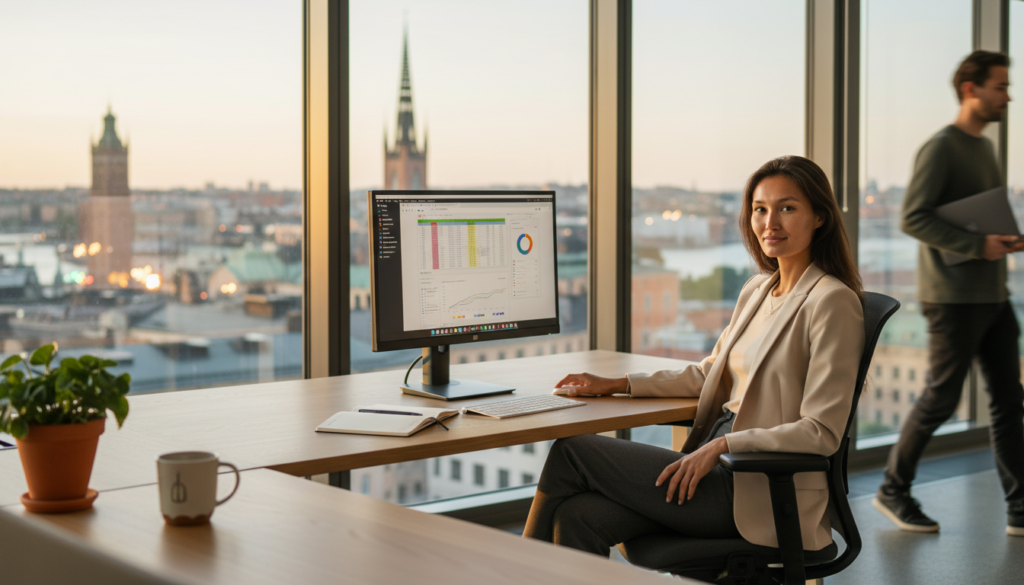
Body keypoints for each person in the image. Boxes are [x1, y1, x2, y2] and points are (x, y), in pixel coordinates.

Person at [522, 155, 865, 557]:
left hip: (756, 485)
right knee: (577, 517)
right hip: (716, 464)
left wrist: (722, 446)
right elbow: (709, 375)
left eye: (787, 208)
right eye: (760, 209)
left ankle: (519, 572)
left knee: (572, 450)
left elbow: (821, 432)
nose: (770, 223)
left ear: (820, 217)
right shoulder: (757, 290)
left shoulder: (832, 301)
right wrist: (617, 384)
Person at [874, 50, 1024, 537]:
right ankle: (892, 489)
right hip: (952, 298)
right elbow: (912, 216)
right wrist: (978, 243)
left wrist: (1003, 240)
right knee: (942, 398)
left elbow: (979, 214)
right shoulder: (940, 147)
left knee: (1008, 399)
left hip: (991, 293)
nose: (1008, 95)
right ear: (970, 89)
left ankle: (1020, 509)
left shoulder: (985, 148)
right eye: (1000, 86)